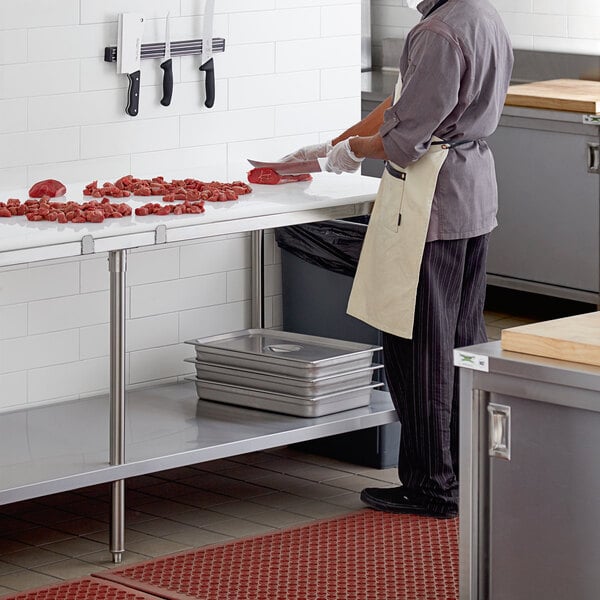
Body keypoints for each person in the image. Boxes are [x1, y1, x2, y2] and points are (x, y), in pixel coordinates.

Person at [282, 0, 513, 518]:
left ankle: (432, 486)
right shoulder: (482, 15)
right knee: (462, 341)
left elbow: (405, 139)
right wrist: (333, 143)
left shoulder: (435, 32)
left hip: (432, 202)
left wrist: (352, 152)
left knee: (420, 346)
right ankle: (463, 472)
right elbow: (402, 106)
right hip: (473, 197)